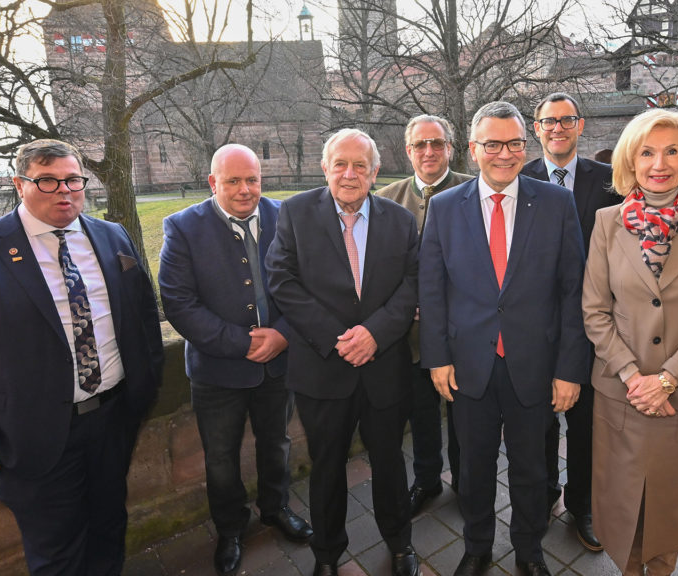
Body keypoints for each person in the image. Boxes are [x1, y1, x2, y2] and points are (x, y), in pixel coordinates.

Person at [0, 139, 164, 575]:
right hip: (33, 437)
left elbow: (143, 315)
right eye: (47, 181)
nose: (64, 191)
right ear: (20, 184)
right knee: (57, 552)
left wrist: (143, 390)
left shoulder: (111, 235)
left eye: (73, 180)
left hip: (113, 419)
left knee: (109, 526)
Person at [419, 101, 587, 576]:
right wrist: (437, 358)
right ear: (473, 150)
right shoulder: (445, 207)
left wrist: (569, 369)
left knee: (532, 470)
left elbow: (574, 292)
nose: (505, 154)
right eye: (492, 144)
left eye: (514, 143)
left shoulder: (555, 203)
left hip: (535, 365)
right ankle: (477, 548)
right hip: (468, 366)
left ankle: (530, 552)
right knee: (472, 470)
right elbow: (432, 289)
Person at [581, 109, 678, 576]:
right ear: (631, 160)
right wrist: (635, 378)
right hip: (621, 394)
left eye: (672, 150)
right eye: (647, 152)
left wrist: (666, 379)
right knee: (623, 508)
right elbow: (595, 311)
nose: (659, 163)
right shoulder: (606, 222)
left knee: (669, 509)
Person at [264, 129, 420, 576]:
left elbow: (412, 283)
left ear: (374, 172)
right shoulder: (295, 213)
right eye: (340, 164)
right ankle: (328, 554)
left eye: (359, 166)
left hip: (383, 366)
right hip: (322, 369)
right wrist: (338, 337)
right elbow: (282, 281)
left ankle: (401, 544)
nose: (349, 174)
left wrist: (374, 334)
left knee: (390, 462)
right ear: (325, 168)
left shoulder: (399, 220)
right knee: (327, 466)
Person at [159, 144, 313, 576]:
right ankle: (230, 528)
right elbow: (178, 303)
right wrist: (241, 343)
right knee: (221, 458)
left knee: (277, 443)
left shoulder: (288, 218)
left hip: (279, 366)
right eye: (233, 181)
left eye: (253, 179)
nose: (245, 190)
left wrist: (283, 335)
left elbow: (313, 284)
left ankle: (276, 509)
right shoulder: (182, 228)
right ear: (213, 182)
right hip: (218, 371)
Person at [521, 91, 618, 551]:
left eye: (566, 119)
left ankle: (583, 505)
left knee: (586, 424)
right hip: (537, 325)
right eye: (548, 121)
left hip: (594, 323)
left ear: (580, 126)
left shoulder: (611, 180)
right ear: (536, 128)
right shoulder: (519, 178)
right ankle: (543, 495)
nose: (557, 128)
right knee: (539, 420)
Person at [376, 114, 473, 515]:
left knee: (465, 417)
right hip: (409, 336)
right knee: (421, 415)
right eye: (420, 145)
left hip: (462, 333)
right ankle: (428, 481)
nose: (429, 152)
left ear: (451, 148)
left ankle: (467, 483)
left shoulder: (473, 190)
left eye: (437, 143)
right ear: (408, 150)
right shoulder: (385, 198)